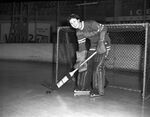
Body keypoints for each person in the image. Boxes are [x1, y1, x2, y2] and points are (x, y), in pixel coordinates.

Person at [67, 14, 111, 97]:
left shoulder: (90, 24)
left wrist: (101, 41)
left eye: (74, 21)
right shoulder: (79, 32)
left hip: (103, 43)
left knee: (97, 67)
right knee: (86, 66)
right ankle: (83, 88)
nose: (73, 24)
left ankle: (98, 91)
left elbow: (104, 28)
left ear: (79, 20)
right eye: (71, 23)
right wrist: (80, 60)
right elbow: (82, 47)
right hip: (93, 46)